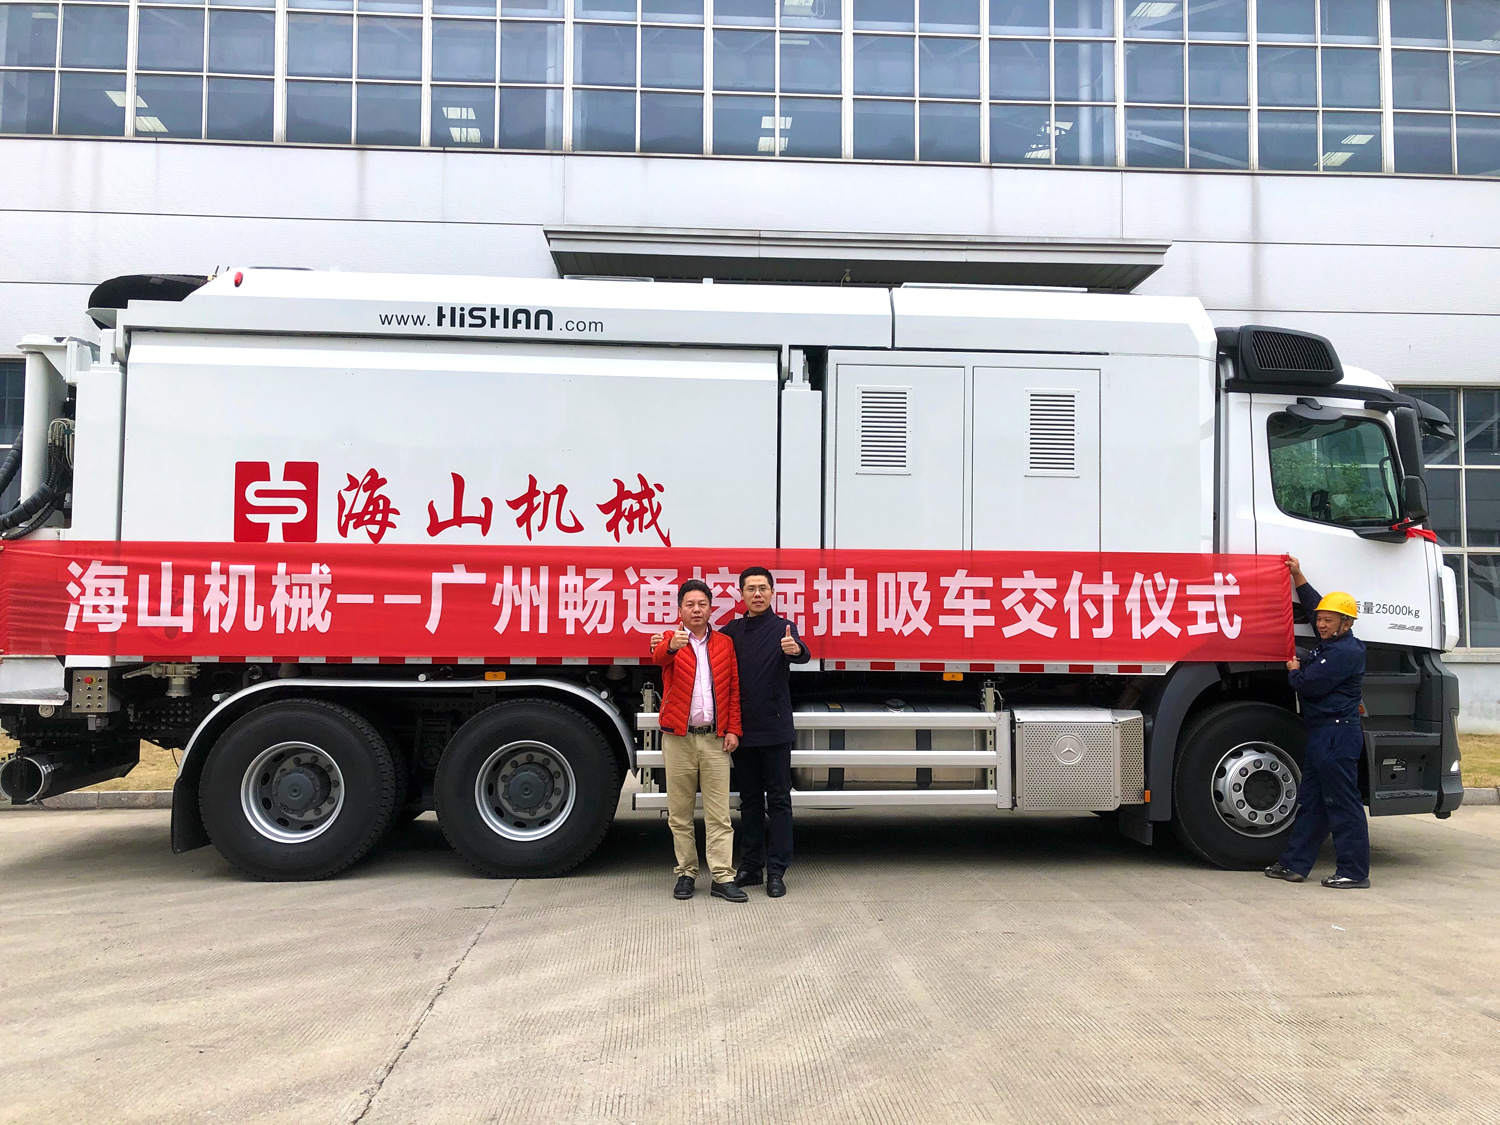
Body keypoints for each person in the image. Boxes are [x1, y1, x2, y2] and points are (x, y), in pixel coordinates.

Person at [1265, 556, 1371, 889]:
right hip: (1323, 734)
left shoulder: (1344, 653)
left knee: (1342, 803)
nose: (1320, 624)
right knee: (1311, 801)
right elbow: (1313, 605)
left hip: (1337, 735)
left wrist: (1295, 671)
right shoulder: (1332, 641)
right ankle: (1295, 865)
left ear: (1346, 623)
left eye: (1328, 621)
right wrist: (1298, 576)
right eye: (1320, 620)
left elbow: (1307, 686)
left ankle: (1354, 872)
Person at [649, 579, 746, 903]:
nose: (696, 610)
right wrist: (672, 646)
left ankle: (722, 876)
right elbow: (658, 659)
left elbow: (732, 690)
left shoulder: (724, 644)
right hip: (678, 739)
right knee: (680, 813)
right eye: (689, 605)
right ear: (680, 610)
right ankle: (686, 873)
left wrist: (733, 729)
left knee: (719, 814)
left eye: (701, 604)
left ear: (710, 608)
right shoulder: (669, 640)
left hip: (714, 740)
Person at [720, 567, 809, 899]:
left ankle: (777, 870)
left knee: (780, 800)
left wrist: (796, 650)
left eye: (762, 588)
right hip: (742, 730)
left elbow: (802, 652)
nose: (757, 594)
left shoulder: (783, 629)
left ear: (772, 593)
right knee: (750, 801)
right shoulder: (731, 631)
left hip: (775, 728)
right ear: (741, 595)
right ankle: (750, 865)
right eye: (750, 589)